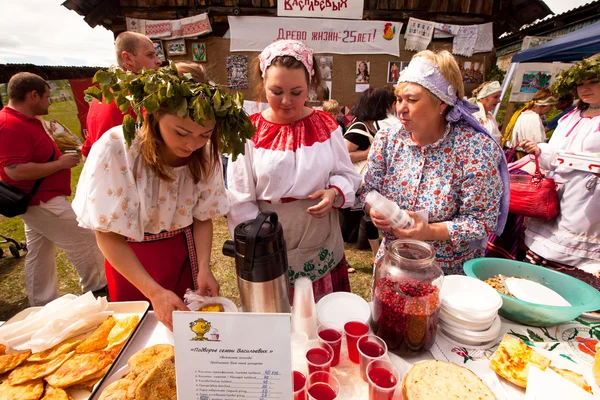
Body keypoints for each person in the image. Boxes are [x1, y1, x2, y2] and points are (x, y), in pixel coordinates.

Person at [73, 62, 254, 330]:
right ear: (155, 115)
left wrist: (204, 266)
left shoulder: (204, 152)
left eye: (204, 134)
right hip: (131, 262)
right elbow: (107, 234)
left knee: (191, 334)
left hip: (182, 255)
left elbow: (202, 216)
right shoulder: (118, 148)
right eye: (181, 133)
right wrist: (154, 292)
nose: (192, 144)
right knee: (141, 336)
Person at [227, 40, 361, 302]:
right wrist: (263, 239)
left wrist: (334, 193)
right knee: (278, 320)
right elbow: (239, 197)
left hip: (320, 235)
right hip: (269, 238)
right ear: (262, 86)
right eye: (276, 91)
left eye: (297, 92)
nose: (286, 102)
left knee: (321, 323)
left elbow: (347, 175)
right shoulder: (248, 132)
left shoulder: (325, 124)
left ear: (310, 86)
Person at [357, 50, 509, 275]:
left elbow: (482, 222)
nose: (401, 108)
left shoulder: (474, 150)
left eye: (412, 100)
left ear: (442, 103)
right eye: (399, 99)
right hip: (393, 265)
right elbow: (368, 190)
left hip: (446, 273)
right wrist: (375, 210)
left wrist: (429, 231)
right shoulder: (387, 140)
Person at [0, 72, 107, 306]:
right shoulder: (11, 124)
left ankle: (42, 301)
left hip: (38, 200)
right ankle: (98, 286)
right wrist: (59, 164)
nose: (49, 103)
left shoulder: (21, 121)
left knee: (40, 254)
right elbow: (14, 171)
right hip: (41, 200)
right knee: (86, 240)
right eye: (47, 97)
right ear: (33, 95)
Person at [519, 59, 600, 289]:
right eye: (581, 84)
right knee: (547, 243)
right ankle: (537, 287)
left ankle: (573, 292)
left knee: (579, 251)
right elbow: (554, 152)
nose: (585, 89)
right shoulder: (570, 117)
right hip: (559, 190)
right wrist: (538, 150)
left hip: (590, 197)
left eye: (593, 82)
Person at [81, 32, 162, 159]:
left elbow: (87, 150)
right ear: (128, 58)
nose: (159, 61)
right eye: (150, 55)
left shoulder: (101, 96)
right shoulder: (142, 95)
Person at [342, 88, 396, 258]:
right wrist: (370, 152)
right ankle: (374, 254)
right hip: (358, 182)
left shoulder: (370, 126)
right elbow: (343, 155)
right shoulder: (359, 127)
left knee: (370, 216)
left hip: (364, 183)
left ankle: (375, 253)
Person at [501, 89, 558, 159]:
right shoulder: (534, 118)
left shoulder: (522, 113)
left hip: (513, 154)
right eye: (551, 106)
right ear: (546, 106)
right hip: (523, 157)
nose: (550, 109)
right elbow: (537, 143)